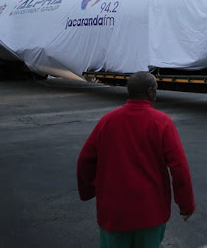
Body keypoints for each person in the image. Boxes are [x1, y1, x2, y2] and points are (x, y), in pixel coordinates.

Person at [77, 71, 195, 248]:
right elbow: (179, 167)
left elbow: (85, 159)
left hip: (114, 210)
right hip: (150, 211)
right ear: (150, 92)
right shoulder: (162, 122)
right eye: (155, 88)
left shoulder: (107, 121)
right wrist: (186, 204)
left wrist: (90, 190)